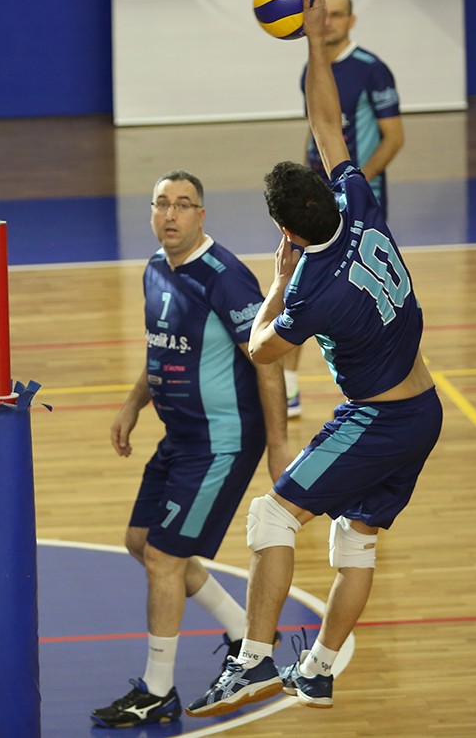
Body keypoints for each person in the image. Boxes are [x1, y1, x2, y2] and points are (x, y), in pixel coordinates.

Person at [185, 0, 442, 719]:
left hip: (378, 419)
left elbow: (262, 351)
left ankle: (254, 662)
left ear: (287, 230)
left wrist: (274, 284)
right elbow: (329, 122)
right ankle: (320, 669)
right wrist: (316, 39)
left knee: (271, 518)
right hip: (423, 409)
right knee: (354, 543)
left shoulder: (312, 289)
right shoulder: (360, 203)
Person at [90, 170, 290, 728]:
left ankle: (157, 692)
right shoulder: (155, 268)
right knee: (140, 541)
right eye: (162, 204)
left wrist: (278, 444)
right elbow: (162, 349)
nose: (171, 214)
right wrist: (133, 404)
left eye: (183, 204)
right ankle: (245, 633)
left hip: (221, 442)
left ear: (201, 215)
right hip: (180, 436)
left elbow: (267, 360)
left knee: (163, 557)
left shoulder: (226, 278)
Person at [284, 0, 404, 419]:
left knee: (359, 292)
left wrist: (355, 184)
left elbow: (394, 137)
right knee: (296, 287)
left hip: (357, 203)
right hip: (315, 208)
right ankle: (289, 389)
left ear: (352, 21)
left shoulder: (372, 69)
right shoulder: (311, 68)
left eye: (337, 14)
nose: (329, 21)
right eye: (325, 14)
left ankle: (384, 377)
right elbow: (316, 127)